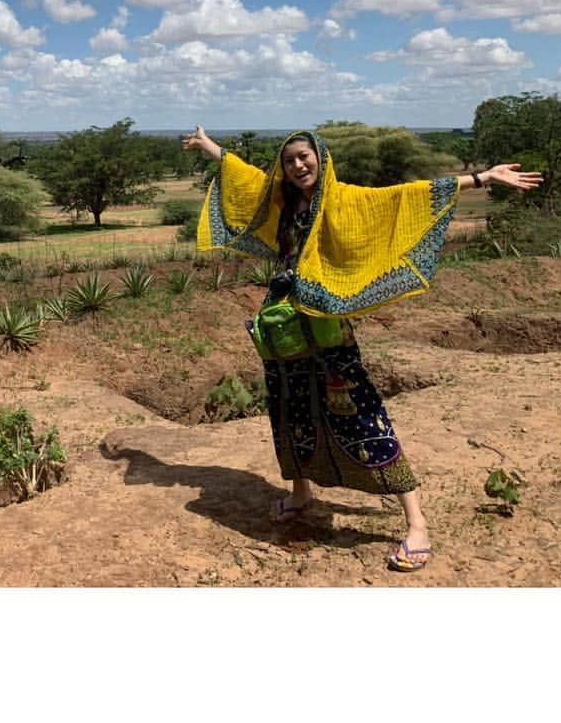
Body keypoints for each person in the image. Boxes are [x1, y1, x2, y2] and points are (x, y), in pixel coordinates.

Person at [181, 125, 542, 572]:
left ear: (321, 159)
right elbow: (244, 175)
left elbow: (405, 196)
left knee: (360, 411)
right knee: (289, 408)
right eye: (290, 159)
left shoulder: (345, 199)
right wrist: (209, 146)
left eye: (305, 157)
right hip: (285, 326)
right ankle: (301, 492)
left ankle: (416, 523)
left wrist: (483, 177)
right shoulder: (280, 198)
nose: (298, 165)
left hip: (329, 327)